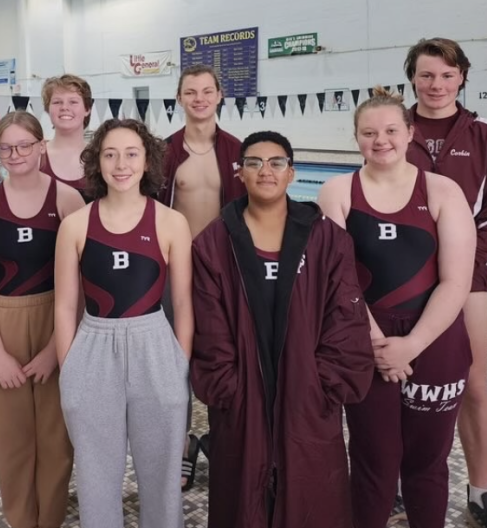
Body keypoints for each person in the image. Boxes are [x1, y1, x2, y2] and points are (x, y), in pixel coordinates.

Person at [192, 130, 375, 528]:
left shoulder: (327, 239)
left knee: (312, 503)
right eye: (254, 163)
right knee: (242, 506)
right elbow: (209, 331)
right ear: (239, 173)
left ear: (292, 173)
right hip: (242, 407)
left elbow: (345, 322)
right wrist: (230, 390)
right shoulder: (213, 243)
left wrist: (321, 385)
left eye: (276, 162)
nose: (266, 171)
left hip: (309, 403)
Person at [318, 87, 476, 528]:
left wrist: (412, 344)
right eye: (369, 132)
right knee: (373, 460)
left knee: (428, 461)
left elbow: (456, 281)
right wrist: (376, 344)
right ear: (356, 138)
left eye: (390, 129)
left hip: (436, 340)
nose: (380, 139)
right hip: (364, 340)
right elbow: (340, 280)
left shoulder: (443, 190)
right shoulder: (337, 191)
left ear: (410, 132)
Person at [53, 118, 193, 528]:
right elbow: (65, 307)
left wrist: (179, 366)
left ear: (147, 160)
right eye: (110, 154)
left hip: (156, 343)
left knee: (162, 473)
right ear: (97, 162)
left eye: (131, 154)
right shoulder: (76, 225)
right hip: (93, 346)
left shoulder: (171, 222)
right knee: (95, 476)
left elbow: (183, 303)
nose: (121, 164)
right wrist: (70, 369)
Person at [404, 37, 487, 528]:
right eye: (427, 75)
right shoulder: (393, 127)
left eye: (447, 75)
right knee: (392, 382)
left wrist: (458, 270)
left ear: (463, 78)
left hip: (468, 280)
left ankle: (480, 492)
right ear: (412, 77)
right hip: (399, 279)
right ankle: (392, 483)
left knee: (472, 384)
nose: (436, 85)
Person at [0, 111, 84, 528]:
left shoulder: (68, 200)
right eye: (6, 147)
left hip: (59, 317)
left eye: (24, 145)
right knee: (12, 434)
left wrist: (56, 349)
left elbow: (81, 282)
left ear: (41, 147)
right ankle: (20, 520)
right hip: (3, 320)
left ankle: (49, 519)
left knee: (55, 435)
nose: (15, 154)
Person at [158, 63, 247, 490]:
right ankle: (180, 448)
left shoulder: (237, 150)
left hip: (223, 274)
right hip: (176, 273)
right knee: (176, 363)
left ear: (219, 95)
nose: (199, 98)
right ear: (180, 98)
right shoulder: (164, 152)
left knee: (226, 360)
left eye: (206, 91)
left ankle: (224, 440)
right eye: (190, 92)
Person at [41, 74, 94, 201]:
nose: (64, 107)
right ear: (48, 109)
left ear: (87, 109)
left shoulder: (100, 155)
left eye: (73, 102)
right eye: (57, 102)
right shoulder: (36, 155)